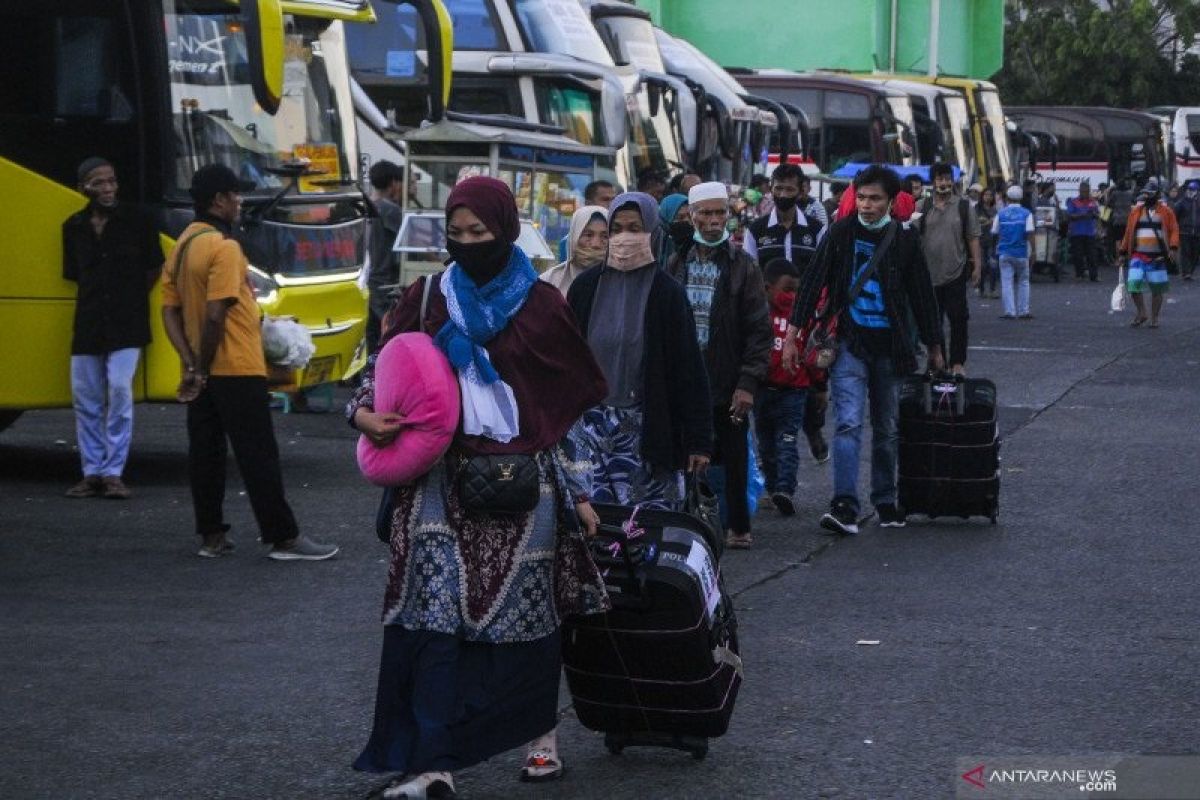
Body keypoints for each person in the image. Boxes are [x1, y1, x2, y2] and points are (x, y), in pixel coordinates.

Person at [349, 176, 610, 796]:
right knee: (432, 625)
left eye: (480, 233)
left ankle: (539, 739)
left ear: (506, 230)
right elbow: (382, 371)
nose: (466, 244)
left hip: (527, 493)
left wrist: (579, 492)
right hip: (437, 487)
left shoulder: (544, 307)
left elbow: (570, 408)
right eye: (456, 234)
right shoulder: (427, 297)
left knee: (528, 625)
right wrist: (362, 415)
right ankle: (431, 763)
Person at [161, 164, 339, 561]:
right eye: (235, 195)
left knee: (205, 453)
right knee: (258, 454)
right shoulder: (225, 248)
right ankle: (283, 538)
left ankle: (212, 536)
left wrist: (191, 365)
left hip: (201, 369)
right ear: (218, 200)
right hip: (236, 366)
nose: (240, 201)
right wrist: (205, 365)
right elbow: (215, 314)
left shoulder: (183, 244)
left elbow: (169, 312)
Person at [781, 164, 944, 534]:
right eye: (863, 198)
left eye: (876, 199)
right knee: (849, 423)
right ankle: (844, 505)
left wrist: (936, 346)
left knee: (886, 427)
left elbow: (922, 295)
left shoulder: (904, 240)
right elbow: (811, 284)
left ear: (890, 202)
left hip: (892, 348)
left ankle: (885, 500)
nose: (867, 205)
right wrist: (793, 335)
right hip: (849, 344)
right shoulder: (840, 233)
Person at [568, 191, 713, 511]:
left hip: (649, 431)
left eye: (635, 229)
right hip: (591, 430)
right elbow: (565, 358)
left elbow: (688, 368)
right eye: (616, 229)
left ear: (653, 232)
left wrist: (698, 440)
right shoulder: (586, 288)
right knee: (594, 527)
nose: (624, 238)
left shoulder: (667, 293)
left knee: (648, 531)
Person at [667, 181, 772, 550]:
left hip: (728, 378)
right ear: (692, 216)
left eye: (720, 213)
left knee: (734, 455)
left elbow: (760, 330)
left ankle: (738, 526)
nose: (714, 221)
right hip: (686, 379)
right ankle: (690, 522)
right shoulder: (676, 263)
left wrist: (747, 382)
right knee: (686, 453)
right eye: (706, 213)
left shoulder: (743, 266)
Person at [62, 157, 162, 499]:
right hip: (89, 321)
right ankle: (92, 473)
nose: (107, 188)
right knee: (86, 400)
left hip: (127, 321)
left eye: (111, 181)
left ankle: (113, 472)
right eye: (99, 183)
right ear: (83, 189)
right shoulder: (73, 226)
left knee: (120, 390)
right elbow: (76, 273)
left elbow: (154, 267)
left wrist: (130, 298)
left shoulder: (139, 220)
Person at [756, 258, 823, 519]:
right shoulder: (760, 315)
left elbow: (814, 355)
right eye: (786, 289)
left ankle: (785, 489)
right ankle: (773, 489)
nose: (791, 296)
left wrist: (820, 386)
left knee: (787, 441)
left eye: (796, 290)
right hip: (763, 390)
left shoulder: (803, 317)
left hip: (794, 391)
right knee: (766, 446)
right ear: (767, 288)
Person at [916, 163, 981, 376]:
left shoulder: (964, 206)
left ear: (952, 181)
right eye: (939, 179)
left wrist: (977, 266)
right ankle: (938, 362)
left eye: (946, 178)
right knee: (932, 322)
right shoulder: (921, 206)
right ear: (933, 182)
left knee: (958, 319)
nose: (943, 183)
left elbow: (972, 238)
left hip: (956, 272)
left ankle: (958, 363)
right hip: (927, 276)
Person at [1119, 179, 1179, 329]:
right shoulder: (1136, 212)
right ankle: (1142, 312)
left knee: (1157, 289)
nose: (1147, 197)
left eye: (1150, 194)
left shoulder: (1166, 212)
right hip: (1138, 256)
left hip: (1157, 257)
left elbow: (1174, 230)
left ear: (1157, 195)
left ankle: (1154, 318)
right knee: (1133, 285)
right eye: (1145, 194)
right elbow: (1128, 232)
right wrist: (1123, 251)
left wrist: (1172, 248)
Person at [743, 163, 825, 270]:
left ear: (800, 193)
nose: (783, 195)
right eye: (778, 188)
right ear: (771, 190)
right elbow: (749, 273)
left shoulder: (817, 230)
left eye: (790, 189)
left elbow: (822, 270)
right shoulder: (755, 230)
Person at [366, 160, 405, 355]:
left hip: (366, 282)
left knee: (370, 338)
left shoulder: (365, 206)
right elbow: (407, 246)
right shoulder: (392, 211)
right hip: (385, 284)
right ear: (394, 183)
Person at [541, 205, 608, 296]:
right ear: (574, 238)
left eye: (604, 237)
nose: (596, 244)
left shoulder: (619, 283)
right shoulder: (548, 282)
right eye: (588, 235)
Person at [992, 185, 1035, 320]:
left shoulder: (1000, 214)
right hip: (1021, 252)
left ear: (1008, 198)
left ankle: (1010, 311)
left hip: (1005, 252)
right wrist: (1033, 252)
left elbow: (994, 232)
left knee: (1006, 282)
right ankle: (1023, 311)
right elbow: (1030, 233)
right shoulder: (1027, 214)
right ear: (1021, 198)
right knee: (1023, 281)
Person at [1066, 180, 1102, 281]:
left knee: (1092, 255)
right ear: (1079, 190)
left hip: (1090, 232)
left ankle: (1094, 276)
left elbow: (1099, 215)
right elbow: (1069, 215)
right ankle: (1079, 274)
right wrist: (1082, 215)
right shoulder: (1073, 201)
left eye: (1086, 191)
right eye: (1083, 191)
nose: (1084, 193)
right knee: (1078, 255)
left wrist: (1094, 215)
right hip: (1077, 232)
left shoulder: (1093, 202)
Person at [1171, 179, 1200, 280]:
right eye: (1189, 189)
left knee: (1195, 253)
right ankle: (1186, 273)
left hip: (1197, 233)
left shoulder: (1198, 202)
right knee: (1186, 252)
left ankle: (1190, 271)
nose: (1190, 191)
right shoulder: (1181, 202)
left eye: (1193, 190)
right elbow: (1175, 216)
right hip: (1184, 232)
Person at [975, 186, 1000, 298]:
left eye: (990, 195)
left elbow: (997, 224)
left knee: (993, 266)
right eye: (986, 195)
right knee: (983, 266)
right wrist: (990, 221)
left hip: (992, 241)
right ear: (982, 196)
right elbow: (976, 223)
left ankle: (993, 289)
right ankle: (981, 289)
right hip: (979, 240)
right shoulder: (977, 208)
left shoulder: (995, 209)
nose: (988, 197)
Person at [657, 193, 691, 268]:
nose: (687, 221)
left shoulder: (697, 245)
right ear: (666, 219)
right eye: (680, 217)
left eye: (690, 216)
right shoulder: (657, 245)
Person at [1106, 178, 1135, 263]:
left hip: (1117, 220)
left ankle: (1119, 259)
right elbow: (1134, 203)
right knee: (1128, 240)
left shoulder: (1115, 194)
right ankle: (1129, 259)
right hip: (1128, 220)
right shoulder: (1130, 194)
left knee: (1118, 240)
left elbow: (1108, 204)